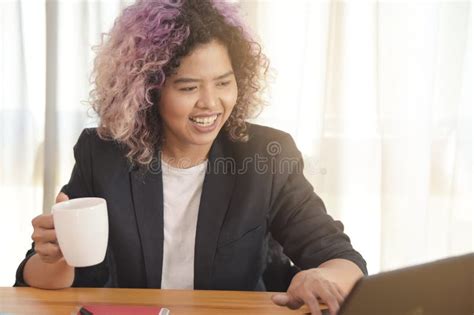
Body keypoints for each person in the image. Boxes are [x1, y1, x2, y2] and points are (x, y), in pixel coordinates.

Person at [14, 1, 367, 314]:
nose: (211, 103)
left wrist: (322, 276)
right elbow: (44, 279)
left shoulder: (266, 156)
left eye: (224, 83)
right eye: (188, 88)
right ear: (148, 92)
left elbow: (344, 261)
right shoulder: (104, 153)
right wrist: (55, 257)